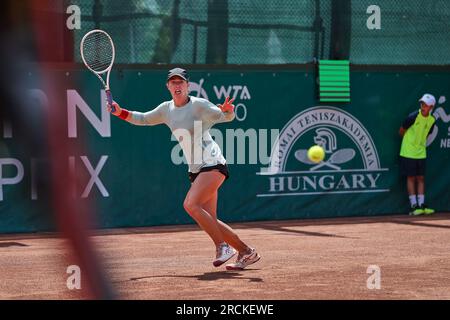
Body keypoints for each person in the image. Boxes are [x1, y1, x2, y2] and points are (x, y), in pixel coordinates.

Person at [107, 67, 260, 270]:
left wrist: (229, 111)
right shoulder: (165, 109)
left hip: (213, 163)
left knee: (190, 205)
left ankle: (222, 247)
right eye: (173, 82)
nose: (177, 85)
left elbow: (226, 117)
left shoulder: (199, 105)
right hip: (196, 169)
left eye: (181, 82)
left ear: (188, 86)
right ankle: (247, 252)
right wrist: (120, 112)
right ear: (168, 86)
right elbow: (143, 119)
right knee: (211, 220)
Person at [399, 93, 437, 216]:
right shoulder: (413, 116)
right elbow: (401, 131)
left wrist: (419, 145)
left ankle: (421, 205)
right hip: (408, 152)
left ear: (431, 107)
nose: (422, 106)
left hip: (421, 153)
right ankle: (414, 206)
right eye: (421, 103)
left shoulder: (432, 120)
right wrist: (410, 143)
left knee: (420, 178)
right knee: (411, 178)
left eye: (425, 104)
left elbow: (427, 134)